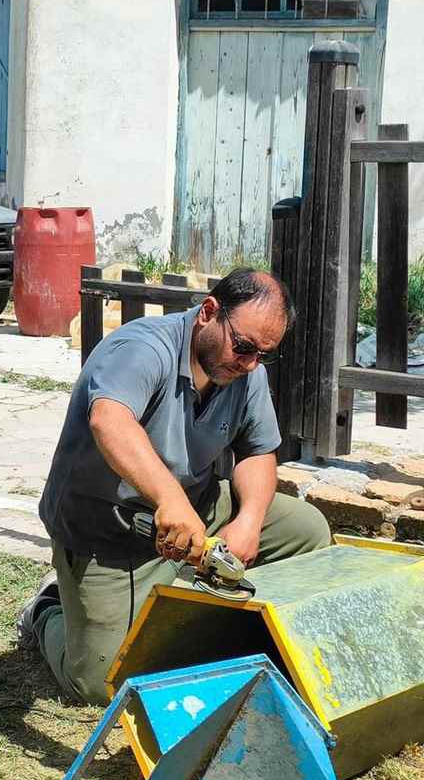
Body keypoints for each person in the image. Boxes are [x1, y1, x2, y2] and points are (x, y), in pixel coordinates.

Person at [17, 269, 331, 706]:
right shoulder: (141, 348)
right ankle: (47, 608)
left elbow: (258, 452)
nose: (250, 363)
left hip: (196, 513)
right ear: (209, 312)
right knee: (100, 685)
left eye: (264, 354)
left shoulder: (245, 371)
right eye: (243, 347)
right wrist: (169, 499)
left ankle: (239, 636)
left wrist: (249, 520)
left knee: (306, 530)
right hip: (108, 535)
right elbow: (109, 420)